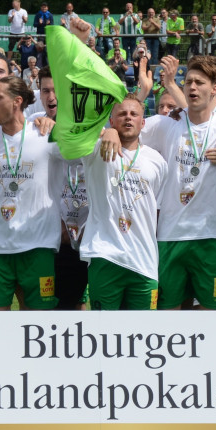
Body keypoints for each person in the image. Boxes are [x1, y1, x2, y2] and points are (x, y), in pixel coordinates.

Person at [139, 55, 216, 310]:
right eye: (188, 82)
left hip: (213, 235)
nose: (193, 87)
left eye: (199, 82)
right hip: (171, 234)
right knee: (169, 311)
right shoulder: (167, 123)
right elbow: (125, 126)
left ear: (215, 89)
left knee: (215, 311)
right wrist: (113, 128)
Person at [0, 76, 64, 310]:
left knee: (38, 321)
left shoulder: (45, 134)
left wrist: (109, 133)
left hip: (38, 243)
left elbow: (81, 155)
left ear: (17, 101)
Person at [79, 97, 167, 309]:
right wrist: (104, 132)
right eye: (121, 114)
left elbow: (155, 210)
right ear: (111, 120)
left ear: (143, 123)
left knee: (142, 333)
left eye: (134, 114)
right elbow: (71, 132)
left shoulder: (157, 161)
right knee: (104, 330)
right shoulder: (94, 150)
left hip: (143, 261)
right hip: (105, 255)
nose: (128, 118)